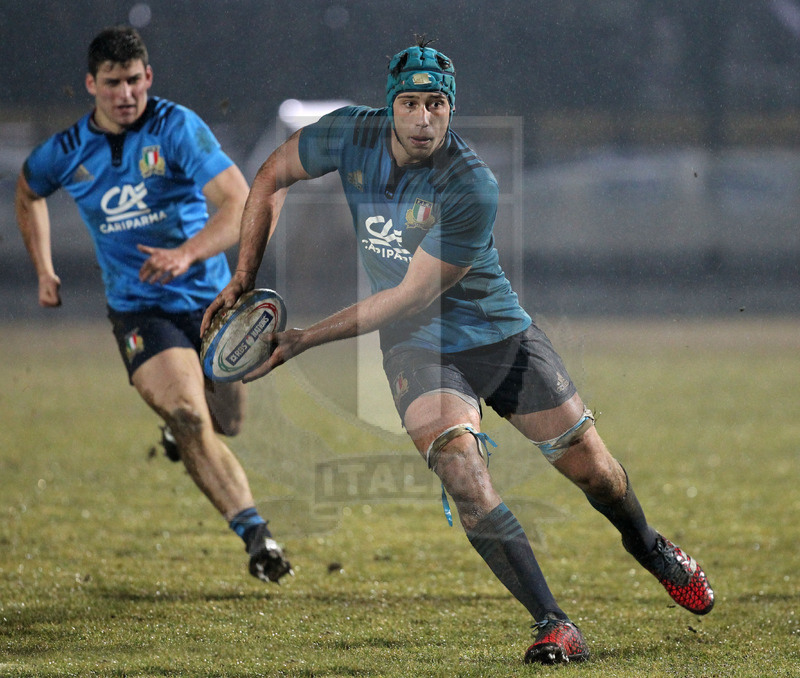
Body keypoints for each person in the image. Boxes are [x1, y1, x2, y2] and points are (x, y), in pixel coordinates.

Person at [202, 40, 714, 664]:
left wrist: (305, 338)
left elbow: (410, 295)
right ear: (392, 105)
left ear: (451, 109)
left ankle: (651, 547)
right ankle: (554, 623)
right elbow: (270, 177)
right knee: (462, 472)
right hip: (418, 350)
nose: (423, 118)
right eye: (411, 103)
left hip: (496, 334)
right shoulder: (345, 136)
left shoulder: (471, 183)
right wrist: (242, 277)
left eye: (437, 104)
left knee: (593, 470)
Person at [15, 26, 291, 585]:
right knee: (191, 417)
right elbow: (28, 193)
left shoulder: (177, 127)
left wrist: (185, 253)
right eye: (113, 83)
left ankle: (177, 430)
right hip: (141, 311)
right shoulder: (66, 151)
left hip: (211, 306)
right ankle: (257, 536)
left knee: (227, 422)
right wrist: (44, 269)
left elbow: (240, 200)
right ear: (92, 84)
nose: (126, 94)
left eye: (135, 81)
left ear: (149, 78)